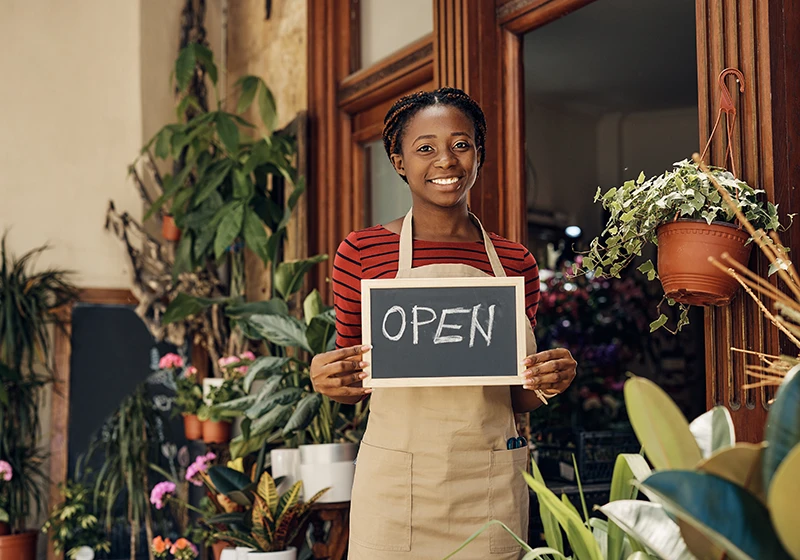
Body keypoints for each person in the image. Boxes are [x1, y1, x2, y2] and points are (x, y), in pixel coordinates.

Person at [310, 87, 577, 559]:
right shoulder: (361, 252)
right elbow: (356, 378)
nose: (446, 161)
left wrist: (549, 381)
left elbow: (517, 394)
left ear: (479, 155)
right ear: (399, 161)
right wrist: (325, 377)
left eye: (461, 144)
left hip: (489, 482)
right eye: (425, 148)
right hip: (396, 485)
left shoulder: (515, 262)